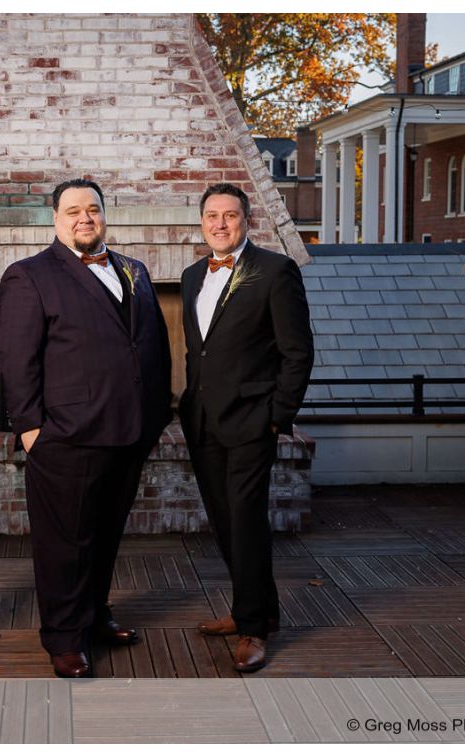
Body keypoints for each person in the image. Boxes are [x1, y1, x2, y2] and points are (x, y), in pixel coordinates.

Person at [0, 179, 173, 678]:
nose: (84, 218)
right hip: (65, 436)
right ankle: (64, 637)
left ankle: (93, 615)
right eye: (72, 210)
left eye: (92, 209)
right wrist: (31, 428)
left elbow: (150, 343)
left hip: (129, 431)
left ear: (103, 215)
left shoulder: (133, 270)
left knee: (105, 535)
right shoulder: (29, 276)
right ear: (55, 218)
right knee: (64, 544)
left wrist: (155, 416)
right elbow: (15, 359)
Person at [179, 183, 313, 673]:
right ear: (202, 222)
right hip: (202, 421)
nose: (220, 224)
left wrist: (277, 416)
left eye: (229, 215)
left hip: (253, 421)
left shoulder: (277, 271)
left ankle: (256, 627)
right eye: (211, 215)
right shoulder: (193, 275)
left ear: (246, 220)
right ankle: (243, 610)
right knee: (223, 519)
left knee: (247, 521)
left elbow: (297, 353)